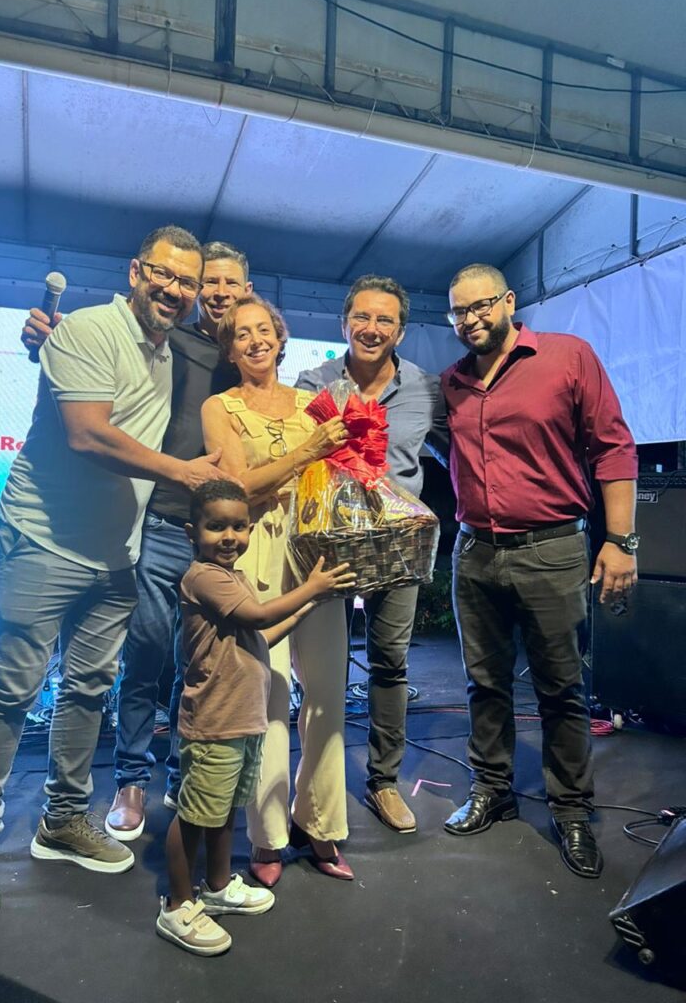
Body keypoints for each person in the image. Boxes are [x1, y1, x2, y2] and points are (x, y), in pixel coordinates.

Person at [0, 226, 225, 921]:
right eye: (164, 274)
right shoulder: (90, 329)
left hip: (115, 555)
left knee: (90, 689)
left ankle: (63, 819)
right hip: (42, 540)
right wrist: (183, 473)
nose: (175, 290)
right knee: (13, 690)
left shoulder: (168, 352)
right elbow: (88, 433)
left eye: (187, 282)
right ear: (136, 271)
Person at [22, 242, 252, 842]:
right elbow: (101, 360)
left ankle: (185, 771)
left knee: (202, 665)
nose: (219, 293)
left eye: (230, 283)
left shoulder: (251, 356)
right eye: (210, 282)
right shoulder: (169, 337)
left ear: (248, 292)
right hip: (159, 521)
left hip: (224, 540)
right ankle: (130, 779)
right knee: (145, 657)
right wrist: (48, 337)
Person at [441, 263, 638, 879]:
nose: (470, 319)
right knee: (484, 684)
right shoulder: (453, 381)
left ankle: (572, 810)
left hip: (552, 548)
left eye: (480, 305)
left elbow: (614, 446)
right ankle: (492, 789)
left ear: (508, 301)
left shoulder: (566, 357)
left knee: (560, 688)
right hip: (474, 551)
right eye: (458, 312)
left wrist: (621, 541)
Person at [157, 480, 355, 956]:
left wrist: (306, 607)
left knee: (224, 810)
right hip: (214, 722)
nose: (230, 537)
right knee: (195, 816)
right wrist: (312, 586)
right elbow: (259, 617)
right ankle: (178, 906)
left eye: (239, 527)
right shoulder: (205, 577)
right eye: (216, 526)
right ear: (191, 532)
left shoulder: (234, 578)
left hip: (241, 719)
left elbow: (258, 638)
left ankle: (218, 886)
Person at [201, 294, 356, 886]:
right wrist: (308, 451)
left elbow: (336, 475)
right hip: (257, 549)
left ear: (280, 338)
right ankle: (267, 837)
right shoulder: (220, 407)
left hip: (316, 547)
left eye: (264, 329)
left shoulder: (311, 403)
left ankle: (321, 824)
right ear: (229, 348)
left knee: (328, 693)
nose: (255, 340)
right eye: (241, 333)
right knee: (266, 694)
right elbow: (236, 489)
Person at [296, 275, 448, 835]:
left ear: (400, 331)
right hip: (332, 544)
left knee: (390, 662)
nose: (372, 328)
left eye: (385, 319)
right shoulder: (312, 384)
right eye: (362, 317)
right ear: (344, 324)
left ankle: (383, 780)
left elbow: (459, 451)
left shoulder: (426, 390)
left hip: (397, 546)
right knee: (325, 668)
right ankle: (320, 781)